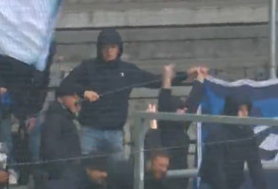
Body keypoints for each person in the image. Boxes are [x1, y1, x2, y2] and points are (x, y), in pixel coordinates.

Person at [63, 28, 196, 157]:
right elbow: (66, 84)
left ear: (119, 49)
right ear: (99, 49)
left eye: (113, 47)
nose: (109, 51)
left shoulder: (127, 70)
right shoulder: (87, 67)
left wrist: (185, 75)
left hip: (115, 133)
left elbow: (154, 80)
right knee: (85, 167)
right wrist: (84, 92)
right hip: (90, 131)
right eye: (105, 47)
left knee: (117, 170)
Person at [39, 82, 82, 181]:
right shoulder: (55, 117)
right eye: (73, 96)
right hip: (61, 170)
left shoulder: (65, 115)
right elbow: (50, 145)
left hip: (68, 167)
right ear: (62, 98)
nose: (76, 100)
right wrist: (63, 167)